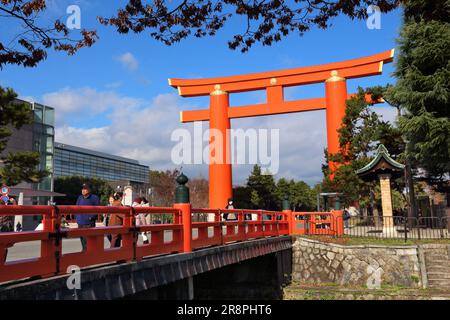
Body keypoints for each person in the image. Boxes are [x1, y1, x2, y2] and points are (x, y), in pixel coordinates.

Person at [75, 183, 100, 252]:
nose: (83, 190)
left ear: (89, 190)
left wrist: (91, 217)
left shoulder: (94, 198)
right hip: (80, 222)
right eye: (82, 189)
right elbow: (76, 208)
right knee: (82, 238)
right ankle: (84, 250)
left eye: (85, 189)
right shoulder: (80, 198)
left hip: (89, 222)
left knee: (89, 239)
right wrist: (76, 218)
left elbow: (98, 209)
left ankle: (90, 252)